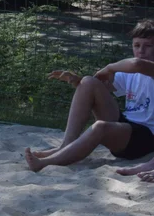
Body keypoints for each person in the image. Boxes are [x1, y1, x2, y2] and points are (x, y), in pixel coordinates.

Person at [24, 19, 154, 172]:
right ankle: (66, 145)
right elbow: (100, 86)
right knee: (88, 82)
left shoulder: (144, 67)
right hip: (127, 125)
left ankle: (46, 163)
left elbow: (137, 64)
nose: (141, 51)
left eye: (148, 46)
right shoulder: (130, 73)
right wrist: (77, 81)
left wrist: (109, 67)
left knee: (100, 127)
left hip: (146, 137)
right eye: (136, 45)